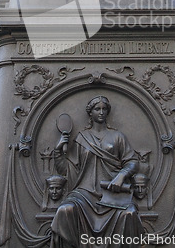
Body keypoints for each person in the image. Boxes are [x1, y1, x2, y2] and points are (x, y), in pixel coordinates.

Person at [50, 96, 144, 248]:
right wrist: (58, 150)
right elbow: (68, 169)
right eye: (97, 109)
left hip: (112, 193)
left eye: (104, 109)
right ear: (90, 113)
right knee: (65, 210)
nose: (101, 112)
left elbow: (132, 161)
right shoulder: (82, 138)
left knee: (130, 213)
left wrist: (121, 176)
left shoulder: (118, 137)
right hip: (84, 193)